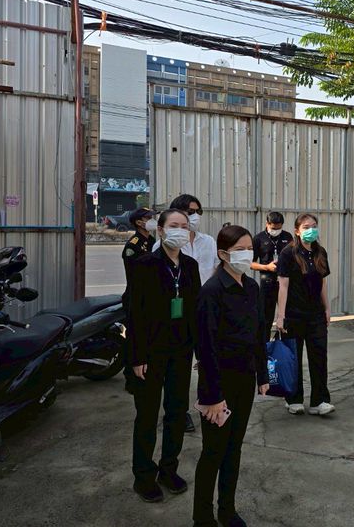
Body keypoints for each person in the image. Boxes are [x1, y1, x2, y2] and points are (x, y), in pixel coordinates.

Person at [193, 225, 270, 527]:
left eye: (249, 248)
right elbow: (206, 346)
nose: (247, 254)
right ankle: (203, 517)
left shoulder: (252, 287)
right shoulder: (212, 291)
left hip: (244, 380)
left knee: (233, 449)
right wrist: (212, 396)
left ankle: (227, 509)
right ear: (224, 254)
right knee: (213, 452)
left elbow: (259, 334)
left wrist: (262, 375)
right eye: (240, 250)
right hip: (218, 383)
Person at [127, 209, 202, 504]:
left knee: (176, 412)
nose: (180, 230)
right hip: (150, 354)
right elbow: (135, 313)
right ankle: (143, 476)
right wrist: (137, 357)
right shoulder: (144, 264)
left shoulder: (190, 266)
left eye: (184, 226)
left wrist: (199, 352)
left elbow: (194, 311)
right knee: (147, 416)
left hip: (180, 352)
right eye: (174, 225)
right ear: (160, 230)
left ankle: (168, 469)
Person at [153, 193, 219, 432]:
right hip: (176, 316)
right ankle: (179, 412)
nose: (194, 217)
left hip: (204, 310)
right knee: (177, 368)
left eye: (197, 212)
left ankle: (208, 402)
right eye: (190, 212)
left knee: (207, 360)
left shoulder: (208, 242)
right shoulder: (160, 247)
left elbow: (215, 272)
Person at [275, 213, 334, 416]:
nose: (311, 230)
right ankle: (294, 399)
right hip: (294, 314)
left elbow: (322, 282)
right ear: (297, 231)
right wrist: (280, 316)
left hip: (316, 314)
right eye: (306, 227)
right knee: (293, 358)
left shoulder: (320, 252)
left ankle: (320, 401)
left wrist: (327, 308)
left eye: (314, 226)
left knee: (319, 357)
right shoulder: (288, 253)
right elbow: (283, 285)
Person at [121, 207, 156, 393]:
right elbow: (135, 275)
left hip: (150, 297)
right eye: (148, 217)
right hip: (135, 297)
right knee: (134, 339)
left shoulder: (152, 241)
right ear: (139, 222)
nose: (152, 220)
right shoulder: (133, 245)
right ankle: (131, 378)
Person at [251, 211, 293, 329]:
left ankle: (286, 339)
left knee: (288, 315)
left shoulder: (287, 237)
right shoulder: (258, 238)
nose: (276, 231)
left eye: (279, 228)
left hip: (285, 280)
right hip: (267, 280)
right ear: (267, 224)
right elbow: (250, 263)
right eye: (273, 228)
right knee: (265, 318)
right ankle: (264, 340)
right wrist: (266, 267)